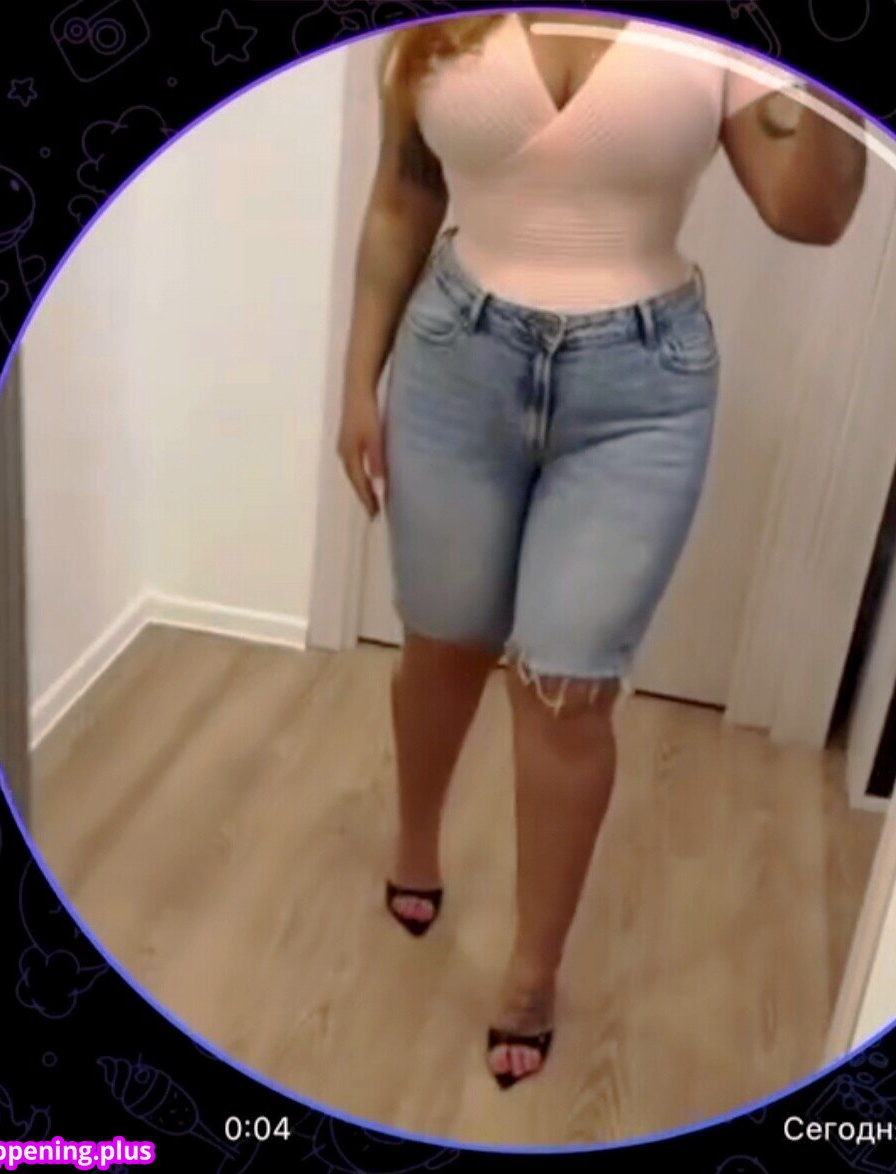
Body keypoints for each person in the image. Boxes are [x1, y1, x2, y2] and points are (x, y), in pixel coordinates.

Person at [335, 9, 866, 1090]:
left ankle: (532, 974)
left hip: (640, 391)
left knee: (569, 689)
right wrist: (357, 379)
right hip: (454, 361)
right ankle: (415, 839)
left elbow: (805, 212)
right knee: (442, 641)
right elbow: (403, 190)